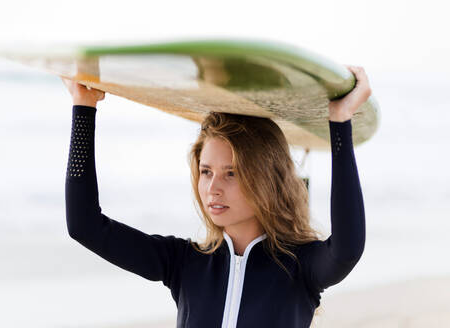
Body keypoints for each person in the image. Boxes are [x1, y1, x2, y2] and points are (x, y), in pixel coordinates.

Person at [62, 65, 370, 328]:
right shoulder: (183, 263)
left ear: (265, 178)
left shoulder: (300, 266)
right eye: (206, 171)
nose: (213, 188)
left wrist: (339, 121)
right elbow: (84, 225)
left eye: (231, 173)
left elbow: (347, 249)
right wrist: (84, 107)